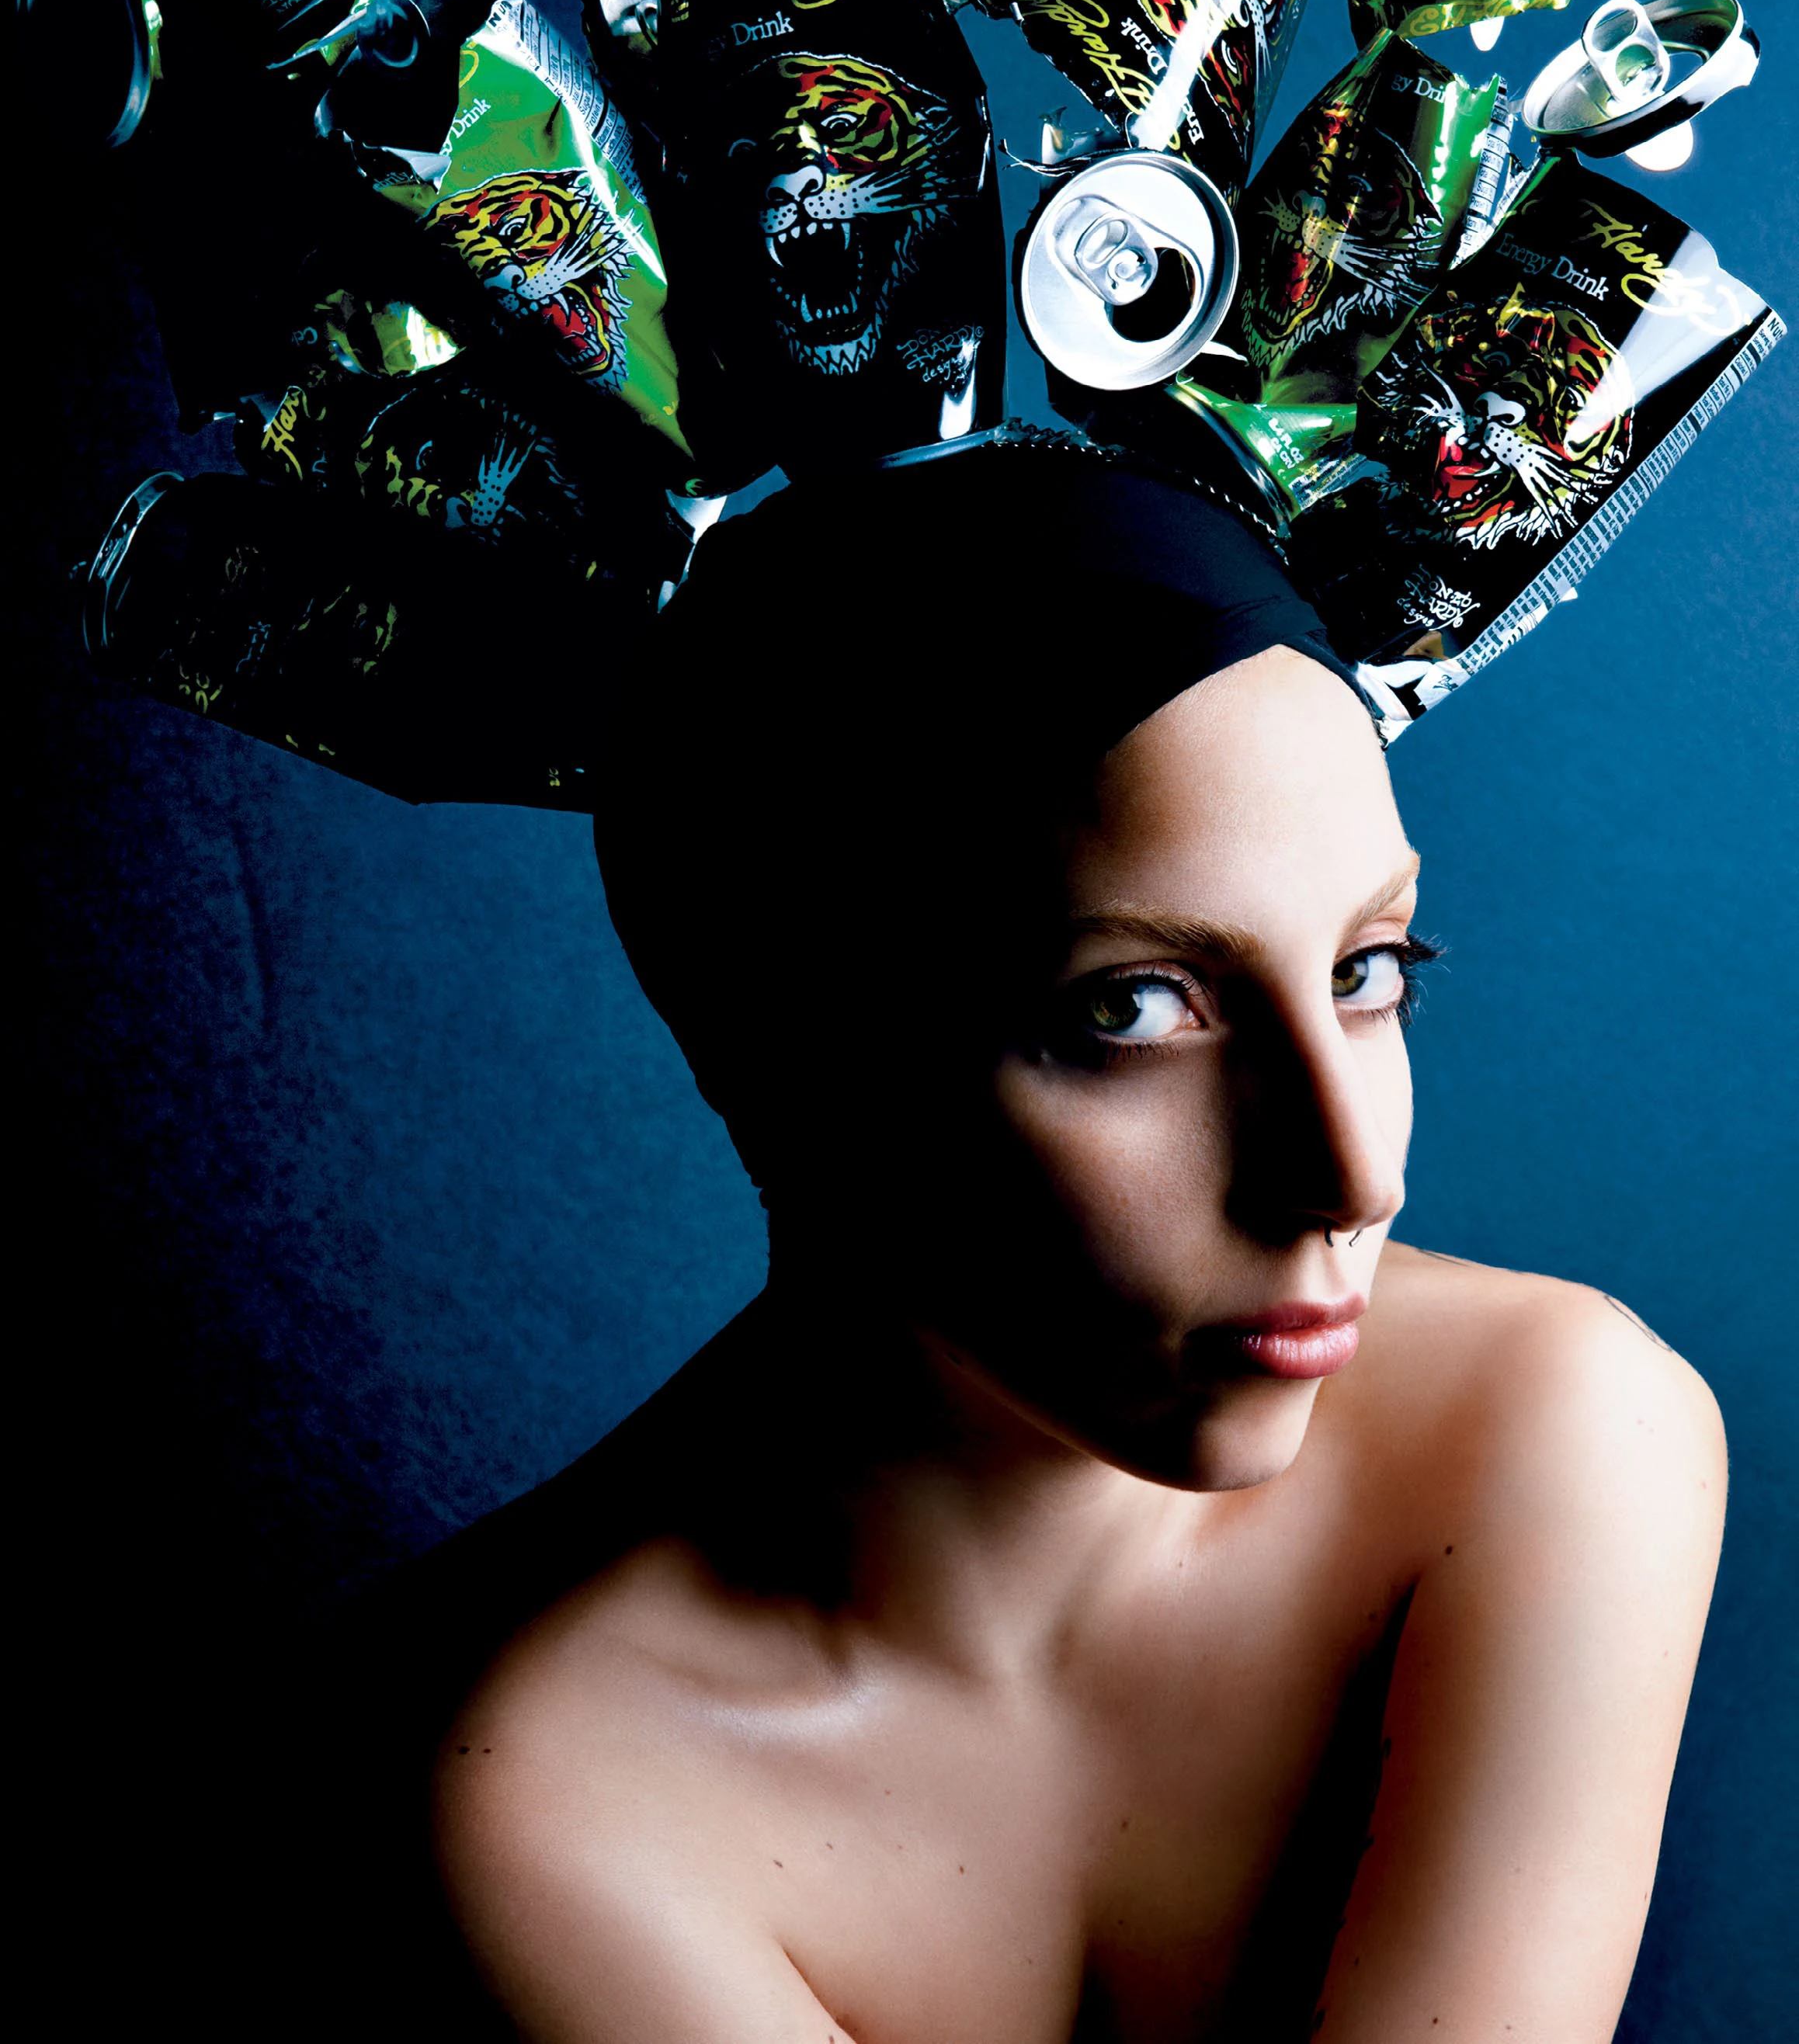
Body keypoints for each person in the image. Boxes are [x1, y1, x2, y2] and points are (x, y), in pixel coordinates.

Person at [352, 436, 1723, 2042]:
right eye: (1131, 1008)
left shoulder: (1557, 1431)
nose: (1352, 1176)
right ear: (794, 1062)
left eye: (1368, 969)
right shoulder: (541, 1794)